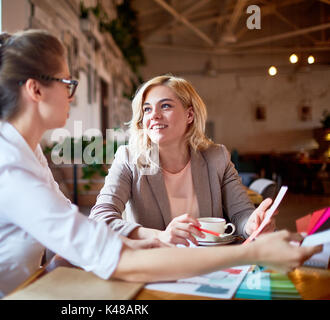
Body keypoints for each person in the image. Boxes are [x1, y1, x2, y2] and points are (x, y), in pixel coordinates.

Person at [0, 30, 321, 300]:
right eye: (67, 84)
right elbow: (110, 246)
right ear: (36, 89)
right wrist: (250, 255)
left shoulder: (26, 151)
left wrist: (143, 241)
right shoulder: (9, 167)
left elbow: (80, 231)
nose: (72, 95)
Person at [90, 75, 277, 246]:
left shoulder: (216, 157)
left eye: (165, 106)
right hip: (155, 265)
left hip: (209, 264)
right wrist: (158, 236)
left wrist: (252, 225)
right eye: (147, 109)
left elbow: (241, 213)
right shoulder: (128, 159)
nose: (154, 115)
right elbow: (100, 218)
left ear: (189, 115)